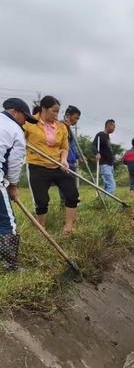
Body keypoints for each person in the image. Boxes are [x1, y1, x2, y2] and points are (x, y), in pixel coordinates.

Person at [24, 96, 79, 234]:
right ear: (43, 109)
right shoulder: (29, 123)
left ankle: (68, 228)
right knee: (41, 200)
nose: (56, 114)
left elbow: (64, 147)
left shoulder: (61, 127)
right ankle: (41, 229)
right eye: (54, 111)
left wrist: (64, 160)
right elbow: (19, 141)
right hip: (37, 166)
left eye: (57, 112)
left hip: (57, 165)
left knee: (72, 193)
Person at [0, 98, 35, 270]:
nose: (25, 122)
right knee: (7, 221)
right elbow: (14, 162)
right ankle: (10, 265)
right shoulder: (15, 130)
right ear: (14, 112)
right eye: (25, 118)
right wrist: (13, 185)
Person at [58, 106, 81, 202]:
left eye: (78, 119)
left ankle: (71, 204)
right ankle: (65, 205)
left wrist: (78, 156)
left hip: (72, 162)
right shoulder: (59, 126)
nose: (76, 121)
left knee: (72, 187)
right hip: (64, 162)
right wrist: (65, 126)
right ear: (68, 115)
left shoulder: (69, 129)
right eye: (75, 118)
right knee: (66, 187)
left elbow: (70, 146)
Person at [92, 119, 116, 195]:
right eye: (113, 126)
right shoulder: (100, 135)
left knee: (107, 186)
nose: (114, 128)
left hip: (110, 165)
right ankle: (107, 202)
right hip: (104, 165)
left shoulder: (107, 137)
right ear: (108, 125)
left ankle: (102, 202)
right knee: (111, 185)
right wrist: (97, 153)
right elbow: (93, 145)